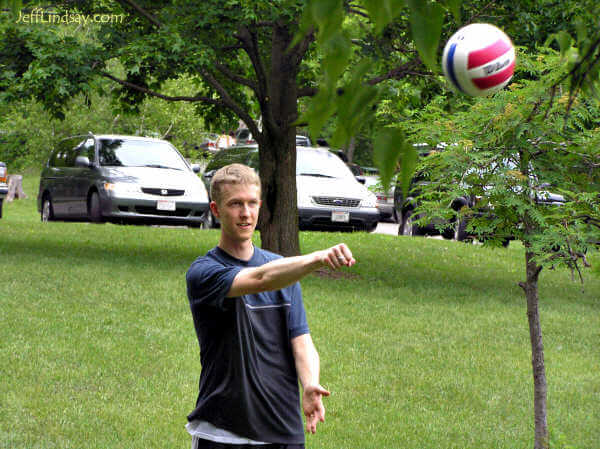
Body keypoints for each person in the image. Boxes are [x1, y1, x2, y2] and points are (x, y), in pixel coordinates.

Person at [185, 163, 356, 449]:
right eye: (235, 204)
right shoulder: (204, 272)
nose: (246, 213)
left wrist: (310, 382)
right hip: (223, 432)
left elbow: (300, 341)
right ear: (216, 210)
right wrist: (317, 259)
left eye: (252, 203)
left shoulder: (284, 271)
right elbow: (261, 278)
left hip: (282, 430)